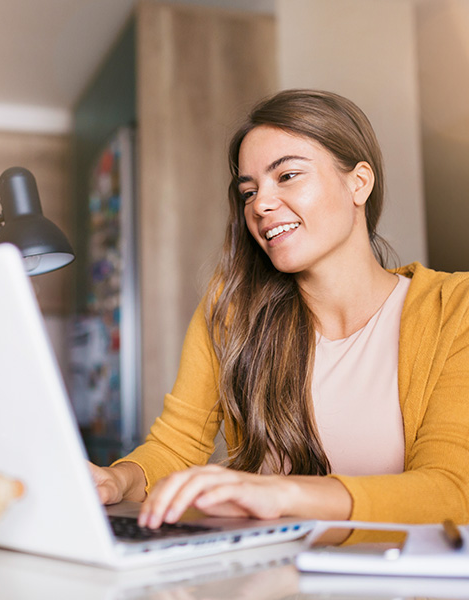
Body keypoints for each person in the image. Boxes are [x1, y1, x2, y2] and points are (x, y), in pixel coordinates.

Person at [90, 89, 469, 539]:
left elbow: (453, 493)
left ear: (358, 183)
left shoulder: (455, 310)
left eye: (287, 175)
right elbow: (176, 445)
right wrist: (119, 480)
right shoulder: (231, 314)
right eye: (248, 191)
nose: (260, 205)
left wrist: (284, 496)